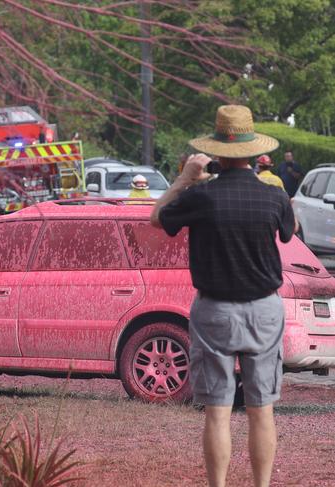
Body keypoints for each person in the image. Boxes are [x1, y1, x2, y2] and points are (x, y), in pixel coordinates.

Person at [150, 105, 295, 487]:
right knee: (262, 409)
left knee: (217, 410)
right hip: (264, 309)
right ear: (253, 152)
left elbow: (155, 217)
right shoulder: (273, 195)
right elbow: (288, 232)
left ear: (217, 152)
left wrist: (184, 179)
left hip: (214, 310)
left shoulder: (201, 197)